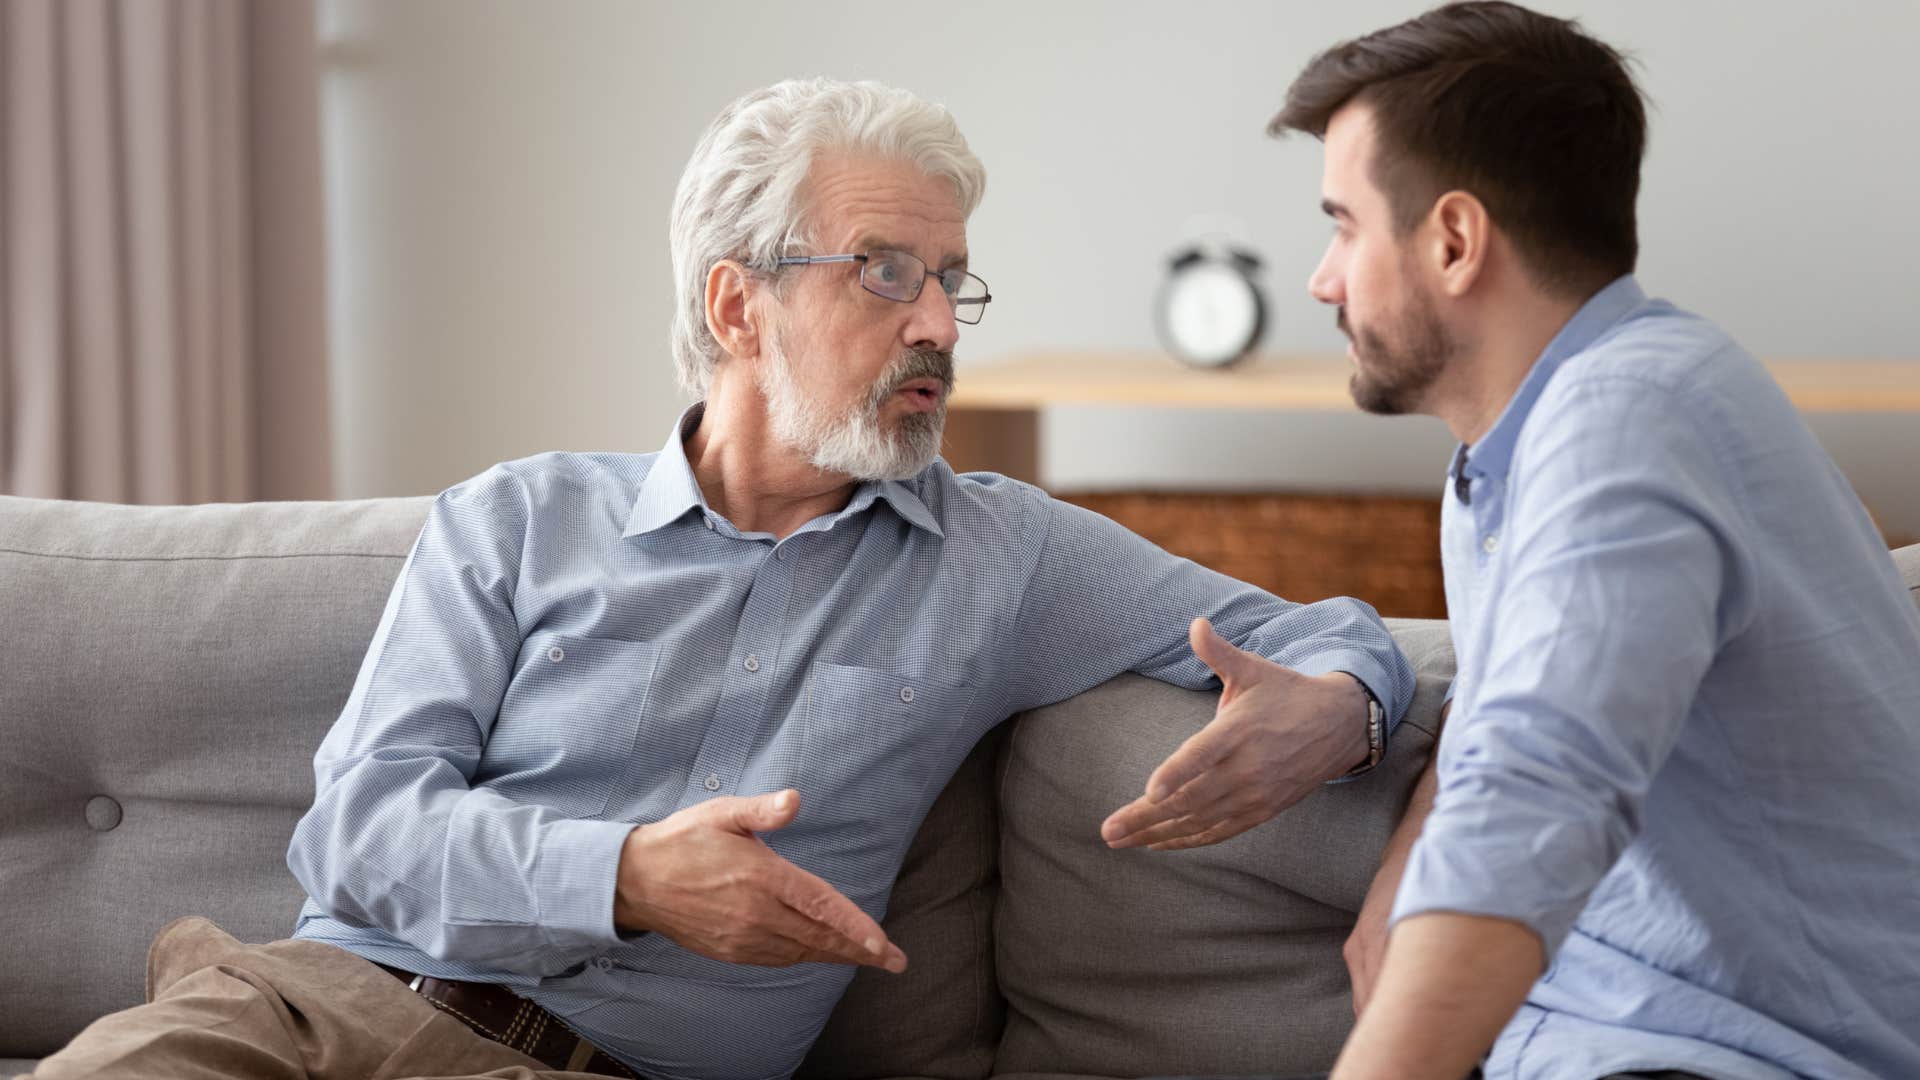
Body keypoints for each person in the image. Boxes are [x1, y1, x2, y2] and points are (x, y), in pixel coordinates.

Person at [25, 78, 1414, 1080]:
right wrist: (627, 877)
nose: (936, 321)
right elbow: (357, 839)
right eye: (883, 272)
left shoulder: (1007, 555)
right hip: (304, 1014)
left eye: (950, 280)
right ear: (735, 304)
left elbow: (1335, 633)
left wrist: (1343, 705)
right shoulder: (514, 521)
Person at [1262, 4, 1920, 1079]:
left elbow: (1540, 785)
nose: (1322, 280)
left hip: (1743, 1056)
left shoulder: (1632, 416)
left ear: (1455, 241)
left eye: (1344, 225)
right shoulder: (1516, 447)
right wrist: (1403, 870)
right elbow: (1520, 697)